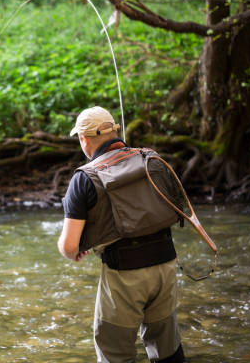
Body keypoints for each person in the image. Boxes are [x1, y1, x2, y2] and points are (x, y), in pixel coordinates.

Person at [57, 106, 186, 363]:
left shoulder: (83, 179)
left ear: (83, 139)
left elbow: (70, 246)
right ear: (115, 130)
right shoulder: (152, 159)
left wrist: (75, 249)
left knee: (114, 353)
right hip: (166, 264)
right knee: (168, 351)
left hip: (124, 274)